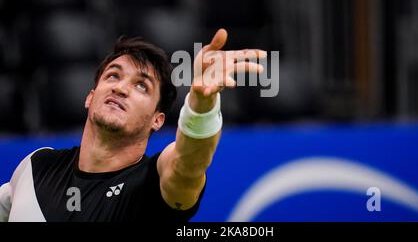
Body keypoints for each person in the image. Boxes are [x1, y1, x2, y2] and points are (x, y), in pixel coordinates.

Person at [0, 28, 266, 222]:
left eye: (141, 85)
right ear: (90, 97)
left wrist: (202, 103)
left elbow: (190, 161)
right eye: (113, 75)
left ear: (157, 119)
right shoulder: (35, 167)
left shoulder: (153, 184)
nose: (121, 88)